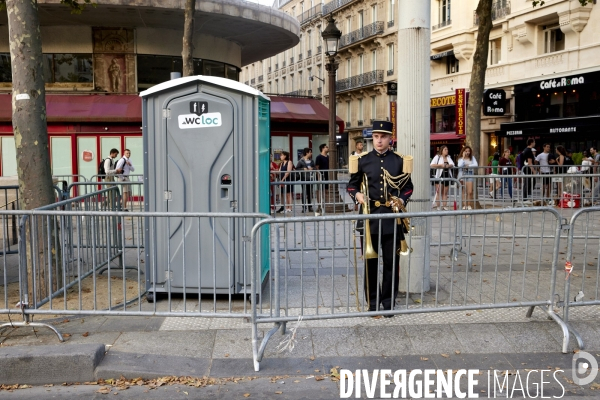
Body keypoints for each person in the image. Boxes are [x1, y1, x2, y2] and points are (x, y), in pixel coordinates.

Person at [347, 120, 413, 316]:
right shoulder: (363, 160)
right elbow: (352, 186)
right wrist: (357, 195)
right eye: (376, 137)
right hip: (370, 218)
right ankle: (373, 303)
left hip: (392, 218)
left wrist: (401, 200)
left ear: (390, 138)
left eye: (383, 137)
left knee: (392, 263)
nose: (379, 140)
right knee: (371, 262)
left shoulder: (399, 160)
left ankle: (389, 303)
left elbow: (408, 187)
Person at [430, 145, 455, 210]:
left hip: (447, 175)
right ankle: (438, 206)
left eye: (447, 149)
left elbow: (452, 164)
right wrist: (440, 165)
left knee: (445, 192)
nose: (447, 151)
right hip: (439, 175)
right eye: (445, 150)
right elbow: (432, 164)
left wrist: (448, 165)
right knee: (439, 192)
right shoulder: (437, 157)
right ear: (442, 151)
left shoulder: (448, 157)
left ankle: (444, 206)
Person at [295, 148, 314, 212]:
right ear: (307, 153)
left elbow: (315, 168)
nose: (311, 153)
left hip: (311, 178)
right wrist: (303, 169)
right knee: (304, 193)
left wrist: (312, 169)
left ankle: (310, 206)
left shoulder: (312, 161)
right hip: (304, 179)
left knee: (309, 193)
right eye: (310, 152)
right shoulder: (301, 161)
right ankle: (304, 207)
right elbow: (297, 168)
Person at [314, 144, 329, 214]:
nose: (328, 148)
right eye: (326, 147)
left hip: (327, 175)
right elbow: (317, 167)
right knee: (319, 190)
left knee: (326, 190)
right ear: (323, 148)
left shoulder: (328, 157)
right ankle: (319, 205)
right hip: (321, 175)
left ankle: (324, 204)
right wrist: (319, 176)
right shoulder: (319, 157)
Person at [521, 139, 536, 205]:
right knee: (529, 182)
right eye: (534, 142)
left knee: (528, 183)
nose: (535, 143)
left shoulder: (525, 150)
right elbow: (530, 162)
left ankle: (526, 197)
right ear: (531, 143)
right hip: (528, 169)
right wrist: (533, 171)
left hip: (526, 168)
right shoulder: (529, 151)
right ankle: (525, 198)